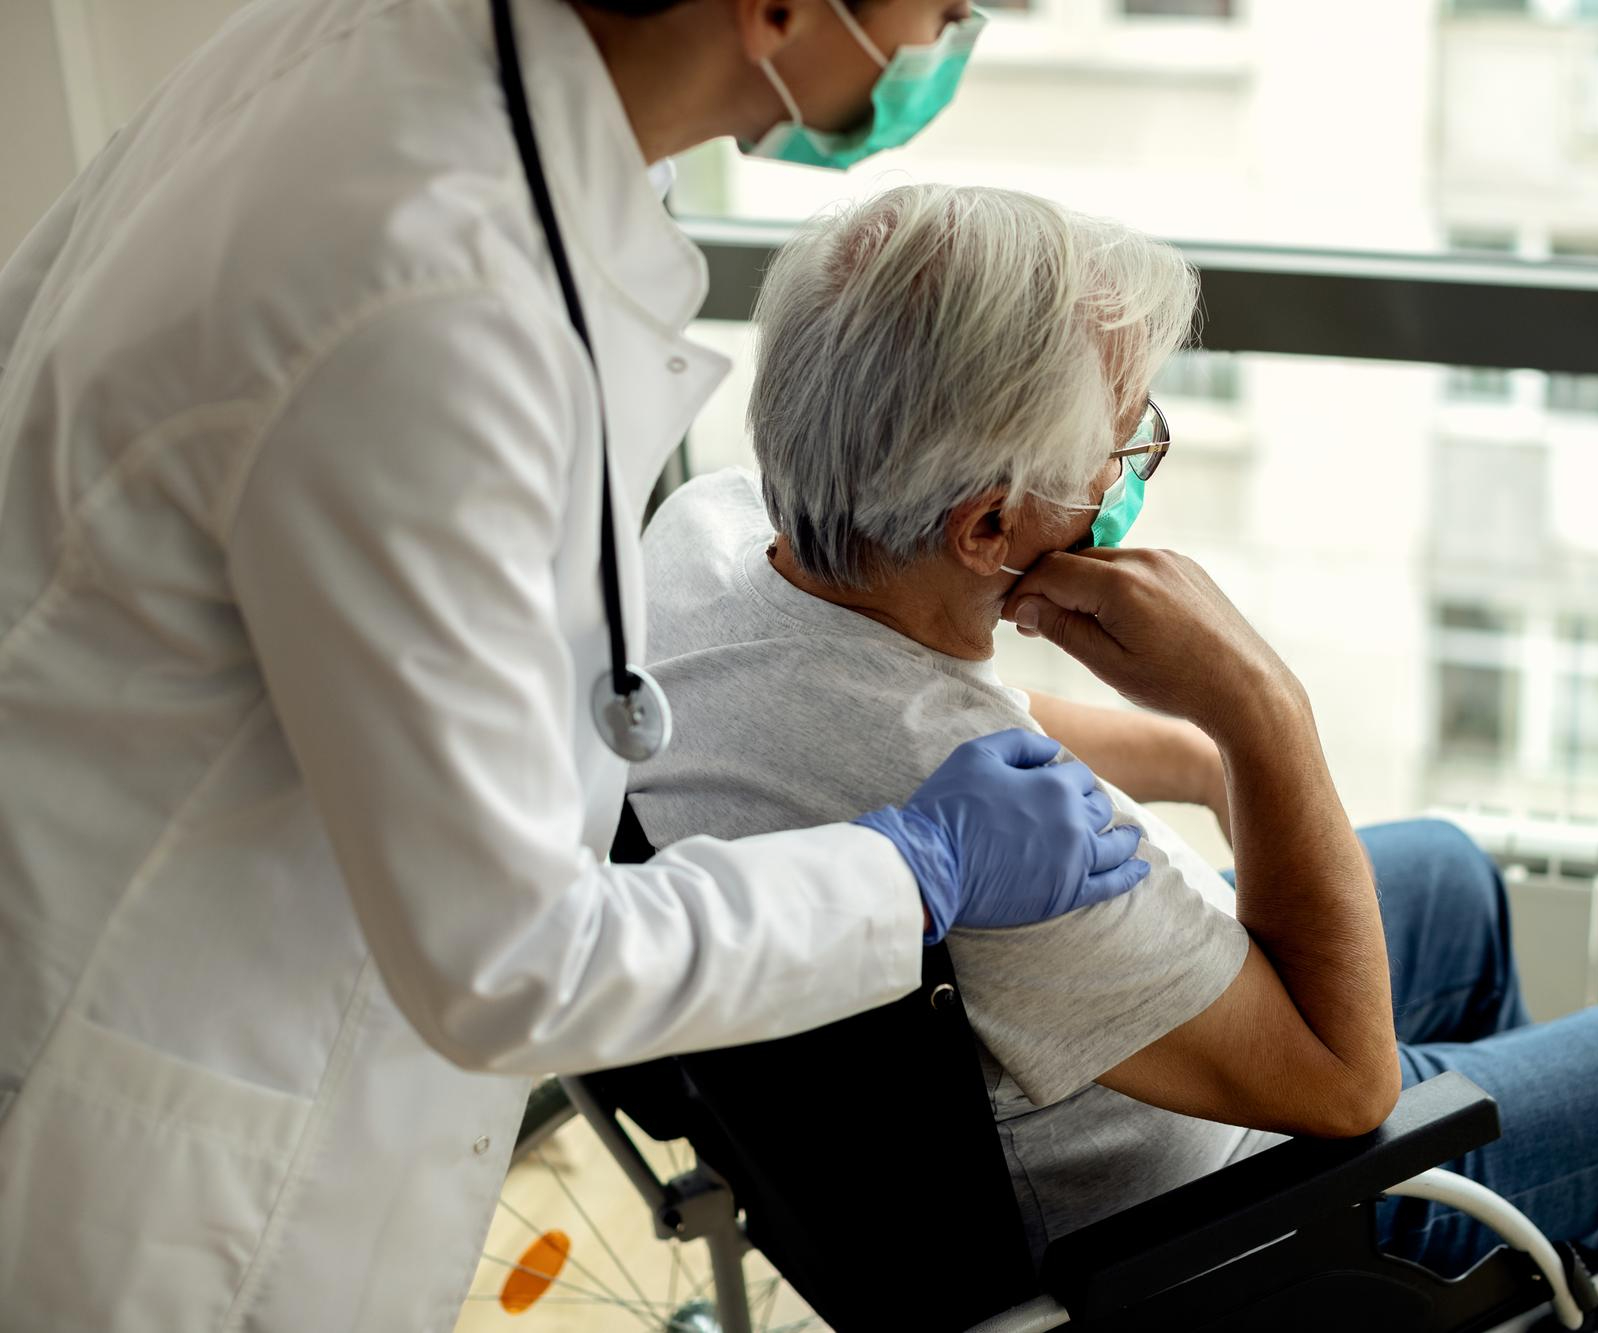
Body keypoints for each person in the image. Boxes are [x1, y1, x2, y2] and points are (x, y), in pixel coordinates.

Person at [0, 2, 1163, 1327]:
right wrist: (914, 866)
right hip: (164, 1153)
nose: (959, 25)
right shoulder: (423, 290)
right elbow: (512, 957)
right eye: (945, 5)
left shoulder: (421, 84)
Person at [626, 182, 1598, 1330]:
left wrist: (1198, 770)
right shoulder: (1015, 877)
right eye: (1121, 440)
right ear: (987, 525)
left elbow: (925, 708)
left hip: (1001, 1100)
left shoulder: (713, 534)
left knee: (1450, 879)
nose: (1128, 466)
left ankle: (1527, 1255)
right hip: (1229, 1235)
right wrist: (1259, 710)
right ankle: (1474, 1251)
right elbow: (1348, 1084)